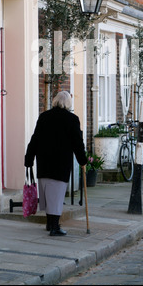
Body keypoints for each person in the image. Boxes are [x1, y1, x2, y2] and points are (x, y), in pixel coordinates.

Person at [24, 91, 87, 236]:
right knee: (57, 196)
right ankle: (54, 227)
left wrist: (29, 159)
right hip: (60, 164)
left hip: (44, 162)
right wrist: (82, 160)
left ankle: (49, 223)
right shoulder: (72, 119)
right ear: (68, 103)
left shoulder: (44, 117)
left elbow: (35, 139)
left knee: (47, 195)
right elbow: (78, 143)